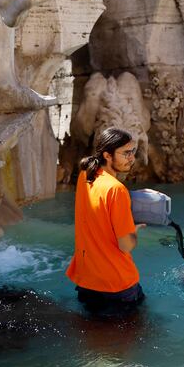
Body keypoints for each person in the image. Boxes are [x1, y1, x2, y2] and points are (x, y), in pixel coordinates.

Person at [66, 127, 145, 313]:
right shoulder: (116, 190)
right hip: (117, 285)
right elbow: (126, 245)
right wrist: (134, 230)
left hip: (87, 281)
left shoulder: (86, 176)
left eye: (132, 152)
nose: (131, 158)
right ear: (107, 155)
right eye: (126, 153)